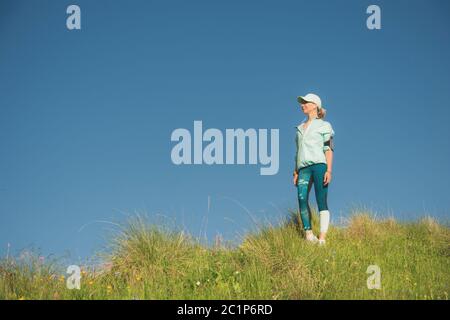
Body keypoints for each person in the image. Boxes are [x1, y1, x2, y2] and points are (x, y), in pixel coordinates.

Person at [293, 93, 335, 246]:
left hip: (319, 166)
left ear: (315, 105)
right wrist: (295, 171)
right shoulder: (299, 128)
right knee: (301, 198)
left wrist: (328, 170)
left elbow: (328, 148)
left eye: (305, 102)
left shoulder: (325, 126)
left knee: (321, 200)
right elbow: (297, 152)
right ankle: (309, 235)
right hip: (303, 168)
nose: (302, 104)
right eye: (302, 102)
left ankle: (322, 238)